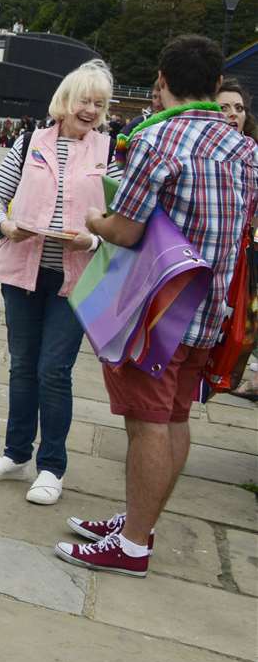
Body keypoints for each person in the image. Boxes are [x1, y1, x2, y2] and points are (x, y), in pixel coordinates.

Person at [62, 36, 258, 575]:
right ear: (217, 85)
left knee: (146, 423)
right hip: (209, 306)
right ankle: (137, 523)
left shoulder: (158, 141)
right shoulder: (244, 147)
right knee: (173, 419)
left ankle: (132, 546)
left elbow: (125, 231)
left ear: (161, 80)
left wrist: (93, 220)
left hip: (156, 310)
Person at [0, 60, 120, 506]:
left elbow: (121, 220)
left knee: (53, 372)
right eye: (84, 100)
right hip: (22, 269)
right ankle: (15, 454)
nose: (91, 109)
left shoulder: (111, 151)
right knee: (22, 365)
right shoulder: (27, 141)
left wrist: (92, 239)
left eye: (99, 103)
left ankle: (51, 466)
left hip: (76, 279)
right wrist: (6, 227)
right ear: (65, 101)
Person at [216, 79, 258, 401]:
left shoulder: (254, 154)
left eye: (239, 108)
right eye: (224, 107)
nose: (233, 114)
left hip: (247, 259)